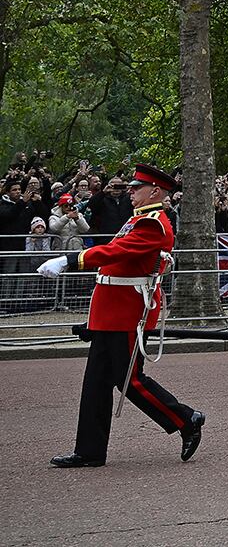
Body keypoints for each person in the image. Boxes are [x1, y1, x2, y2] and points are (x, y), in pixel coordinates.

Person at [38, 163, 205, 468]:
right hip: (111, 312)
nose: (131, 191)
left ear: (155, 191)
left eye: (137, 187)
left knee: (131, 380)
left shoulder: (153, 224)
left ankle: (185, 419)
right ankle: (90, 451)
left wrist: (71, 259)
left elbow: (117, 253)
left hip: (129, 313)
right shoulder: (138, 218)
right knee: (96, 383)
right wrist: (94, 320)